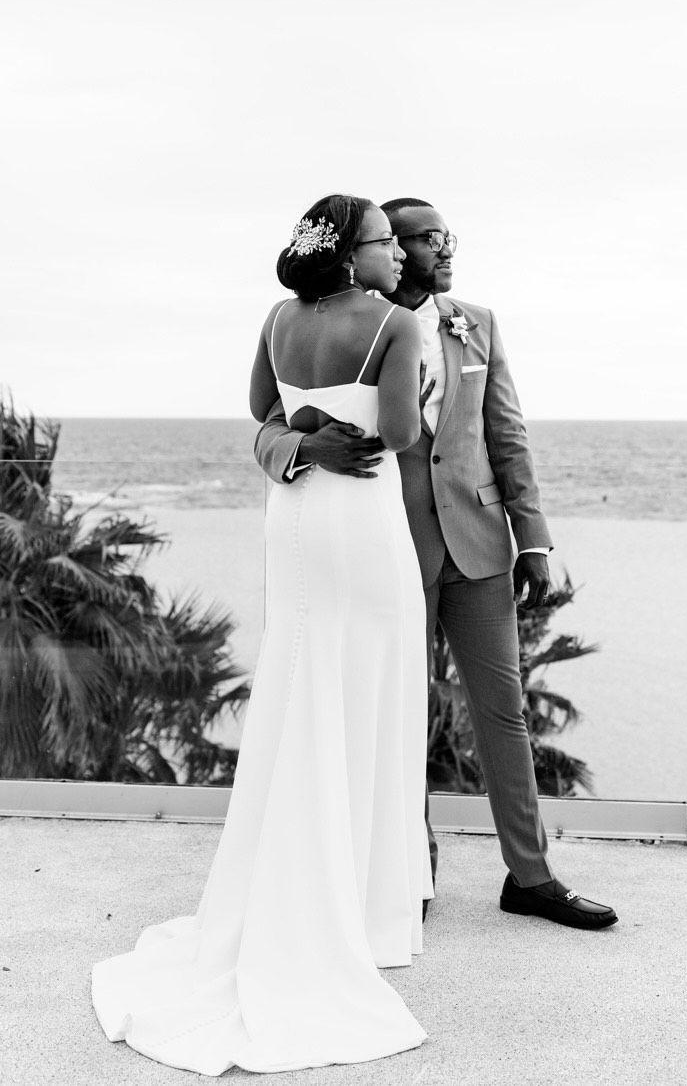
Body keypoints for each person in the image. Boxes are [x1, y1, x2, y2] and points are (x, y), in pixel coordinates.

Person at [91, 195, 434, 1075]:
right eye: (384, 242)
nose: (399, 254)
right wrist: (406, 401)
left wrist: (306, 440)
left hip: (292, 519)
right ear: (349, 255)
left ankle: (303, 878)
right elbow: (397, 435)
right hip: (361, 526)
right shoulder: (397, 325)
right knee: (369, 687)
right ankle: (360, 909)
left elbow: (261, 411)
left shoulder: (279, 319)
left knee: (301, 684)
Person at [255, 196, 618, 932]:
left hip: (480, 544)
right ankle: (407, 872)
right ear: (384, 250)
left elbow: (505, 434)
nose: (445, 247)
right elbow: (272, 418)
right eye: (424, 237)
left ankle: (532, 876)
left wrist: (535, 538)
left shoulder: (475, 321)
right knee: (396, 711)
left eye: (447, 234)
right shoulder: (353, 323)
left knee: (504, 713)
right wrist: (300, 448)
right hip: (386, 543)